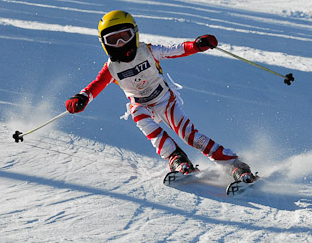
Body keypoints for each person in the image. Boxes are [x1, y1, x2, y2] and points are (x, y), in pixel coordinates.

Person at [65, 10, 257, 183]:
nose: (120, 43)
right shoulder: (112, 67)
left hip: (164, 100)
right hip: (141, 105)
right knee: (138, 115)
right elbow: (96, 85)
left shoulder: (147, 51)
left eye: (124, 36)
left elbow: (175, 49)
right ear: (104, 43)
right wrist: (82, 98)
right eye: (113, 39)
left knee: (190, 136)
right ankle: (175, 158)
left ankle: (235, 164)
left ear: (135, 33)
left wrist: (197, 45)